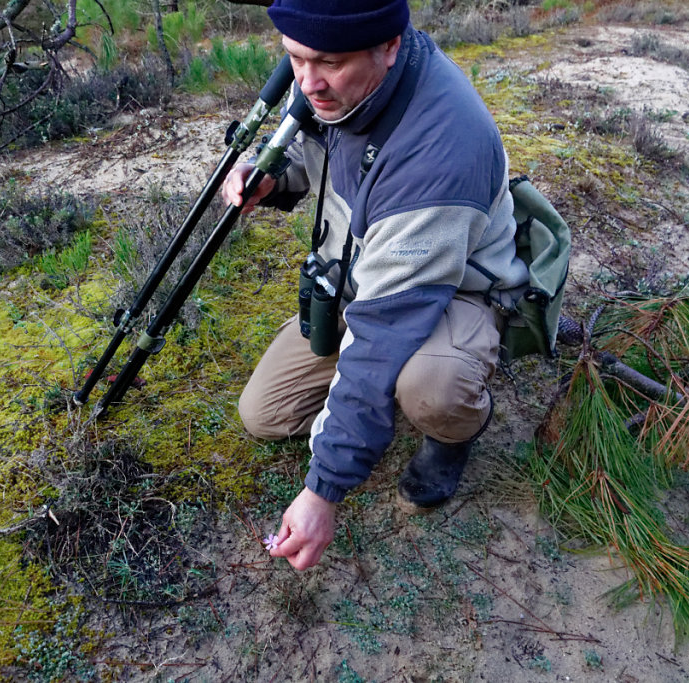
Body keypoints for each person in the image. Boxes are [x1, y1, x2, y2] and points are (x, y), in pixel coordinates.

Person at [221, 0, 529, 571]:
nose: (308, 82)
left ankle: (452, 434)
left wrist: (323, 489)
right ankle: (371, 402)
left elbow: (384, 326)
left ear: (389, 46)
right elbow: (316, 147)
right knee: (264, 415)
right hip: (364, 275)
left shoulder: (442, 148)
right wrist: (271, 177)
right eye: (293, 58)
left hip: (452, 291)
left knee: (431, 387)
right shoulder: (337, 82)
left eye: (328, 63)